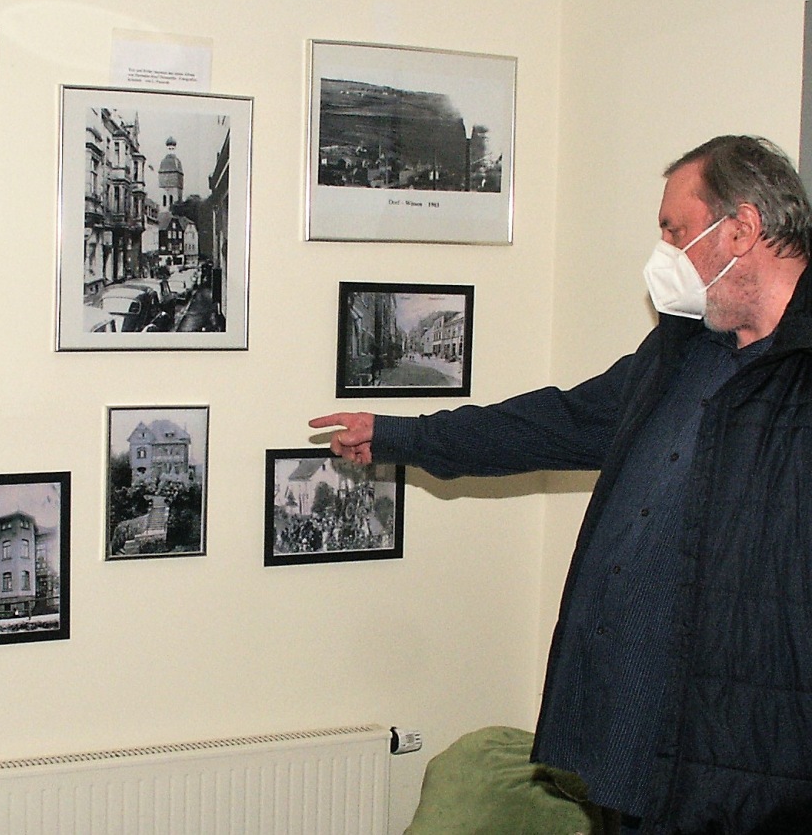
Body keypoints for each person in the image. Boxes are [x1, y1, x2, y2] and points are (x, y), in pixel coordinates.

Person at [311, 135, 812, 834]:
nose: (663, 254)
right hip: (627, 744)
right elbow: (557, 422)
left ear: (743, 228)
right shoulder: (681, 351)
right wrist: (404, 437)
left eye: (675, 230)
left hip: (741, 768)